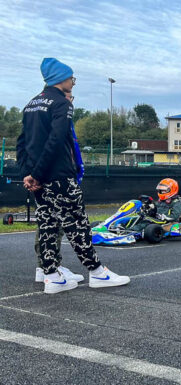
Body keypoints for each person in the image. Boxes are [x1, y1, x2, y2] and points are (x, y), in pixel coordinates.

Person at [17, 57, 129, 294]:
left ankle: (51, 276)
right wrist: (37, 173)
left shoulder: (31, 104)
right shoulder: (61, 103)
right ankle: (97, 272)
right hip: (59, 176)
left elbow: (22, 142)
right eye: (71, 78)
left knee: (48, 224)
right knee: (77, 223)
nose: (73, 83)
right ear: (60, 79)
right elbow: (56, 140)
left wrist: (28, 174)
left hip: (39, 179)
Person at [32, 89, 77, 283]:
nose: (71, 101)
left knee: (49, 223)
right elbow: (53, 146)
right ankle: (51, 267)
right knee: (53, 224)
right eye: (70, 97)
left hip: (52, 175)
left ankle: (46, 267)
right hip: (54, 178)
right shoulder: (54, 118)